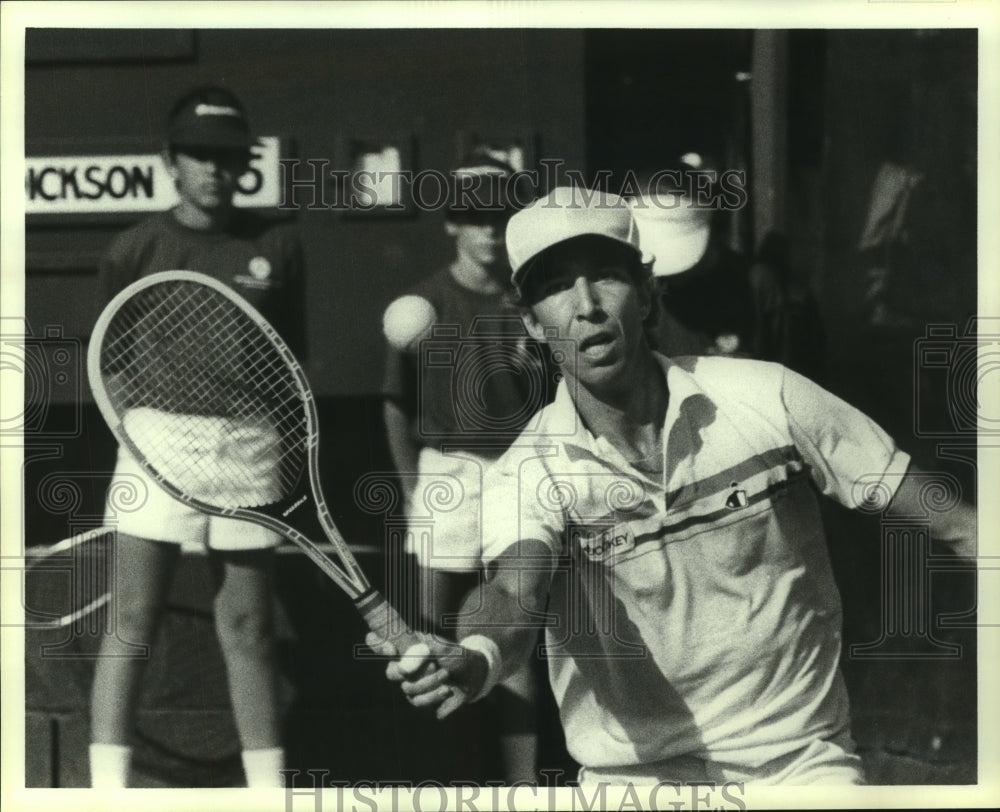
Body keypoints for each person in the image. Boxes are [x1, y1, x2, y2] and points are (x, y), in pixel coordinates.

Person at [369, 187, 977, 786]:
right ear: (530, 321)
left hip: (803, 764)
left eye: (606, 275)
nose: (586, 305)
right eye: (556, 287)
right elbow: (513, 592)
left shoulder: (770, 396)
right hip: (633, 782)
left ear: (647, 293)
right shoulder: (530, 471)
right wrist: (477, 654)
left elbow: (952, 520)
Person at [89, 85, 305, 789]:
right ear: (170, 161)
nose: (215, 170)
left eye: (228, 157)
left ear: (245, 164)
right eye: (199, 156)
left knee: (248, 629)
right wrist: (139, 431)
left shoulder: (278, 243)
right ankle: (106, 795)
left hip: (249, 446)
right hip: (154, 442)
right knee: (132, 622)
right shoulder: (135, 246)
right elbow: (109, 358)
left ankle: (268, 795)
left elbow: (291, 359)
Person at [380, 149, 552, 783]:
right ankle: (446, 781)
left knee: (512, 630)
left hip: (519, 473)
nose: (485, 230)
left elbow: (551, 404)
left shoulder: (530, 304)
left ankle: (521, 785)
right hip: (444, 475)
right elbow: (396, 406)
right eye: (470, 217)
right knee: (432, 636)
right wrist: (410, 491)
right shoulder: (421, 302)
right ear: (450, 223)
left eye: (497, 218)